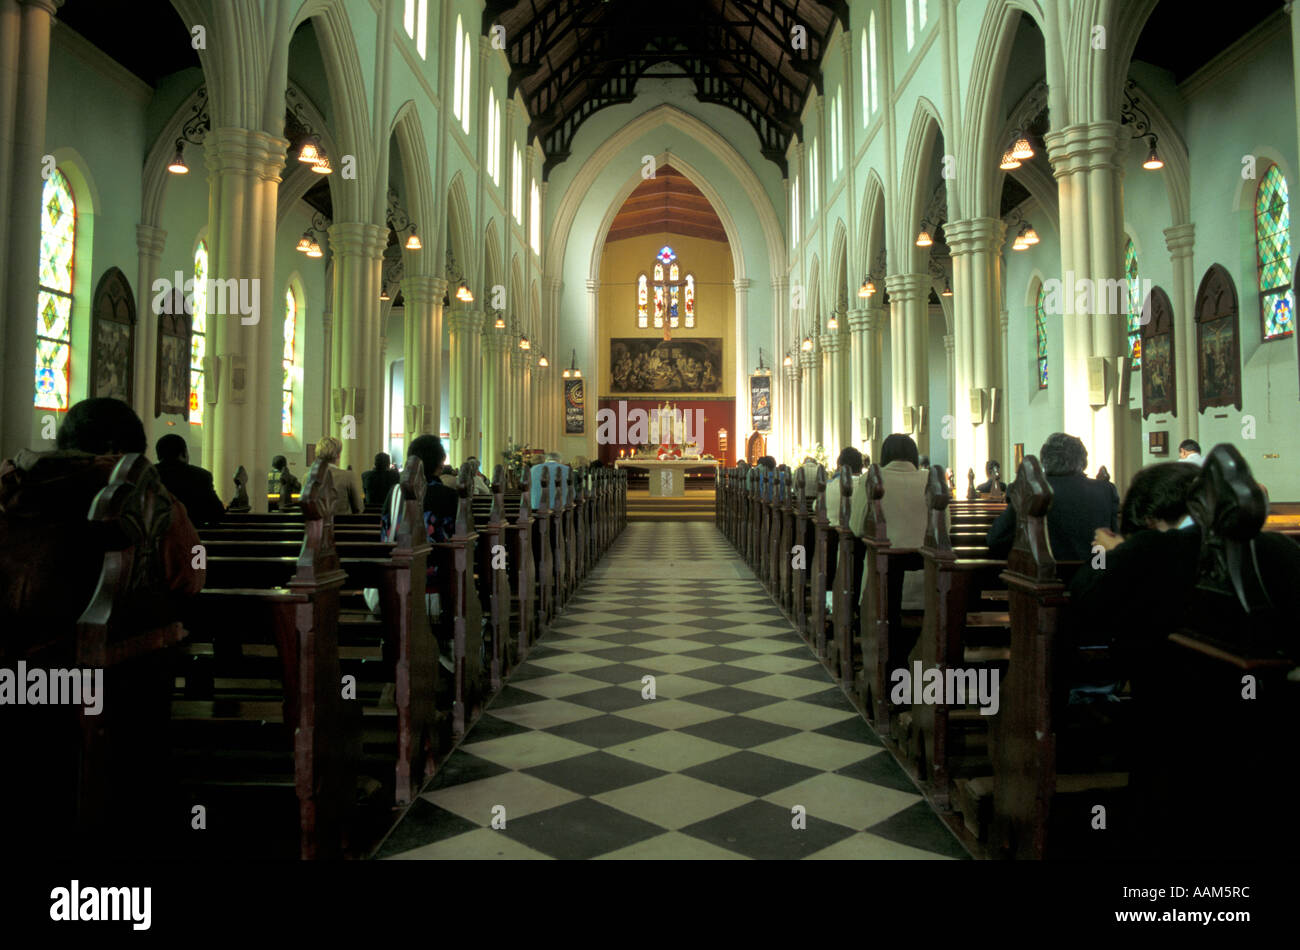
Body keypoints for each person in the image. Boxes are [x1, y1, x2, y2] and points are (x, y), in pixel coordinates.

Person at [1, 397, 205, 653]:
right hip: (111, 667)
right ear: (118, 449)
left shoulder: (10, 486)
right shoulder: (150, 499)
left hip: (12, 668)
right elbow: (191, 576)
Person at [986, 432, 1118, 560]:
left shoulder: (1033, 491)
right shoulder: (1105, 490)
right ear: (1083, 461)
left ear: (1044, 460)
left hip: (1047, 578)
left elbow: (996, 540)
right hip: (1096, 573)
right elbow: (1114, 540)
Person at [154, 433, 225, 528]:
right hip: (192, 537)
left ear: (159, 456)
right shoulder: (201, 476)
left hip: (154, 539)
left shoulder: (149, 475)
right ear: (183, 453)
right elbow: (217, 513)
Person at [315, 436, 363, 514]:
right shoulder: (348, 476)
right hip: (342, 525)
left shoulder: (307, 477)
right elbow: (359, 508)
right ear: (338, 455)